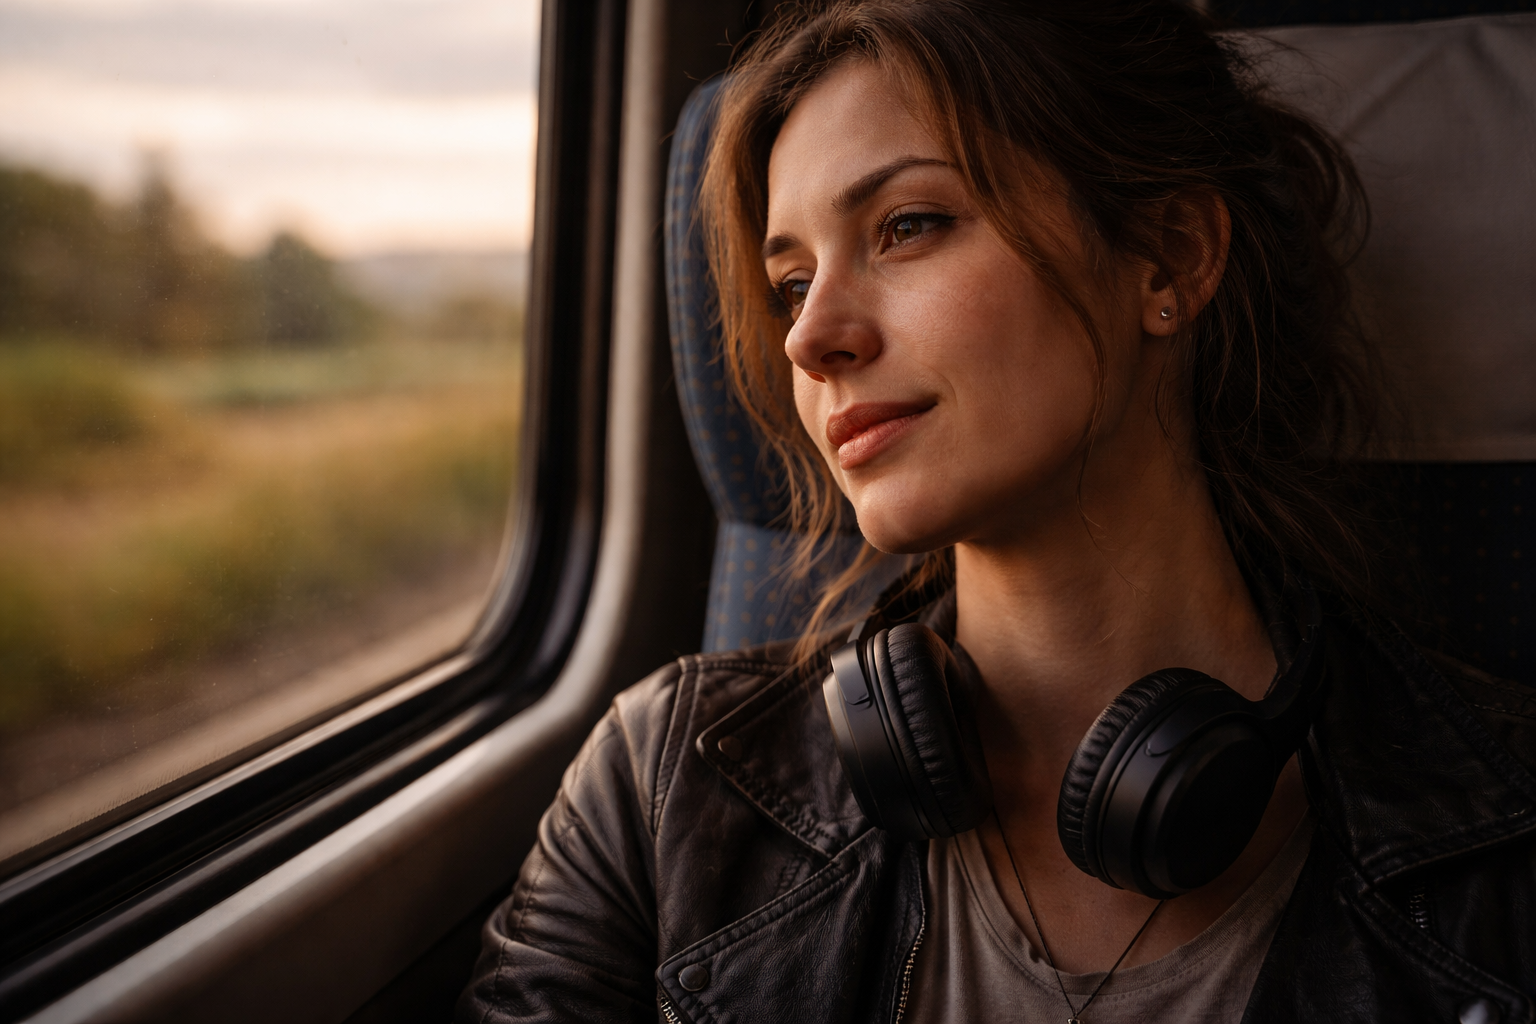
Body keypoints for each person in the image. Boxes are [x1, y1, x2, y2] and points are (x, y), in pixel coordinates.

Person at [459, 1, 1536, 1021]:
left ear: (1169, 255)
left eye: (908, 224)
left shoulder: (1512, 836)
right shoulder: (659, 787)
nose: (809, 337)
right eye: (790, 283)